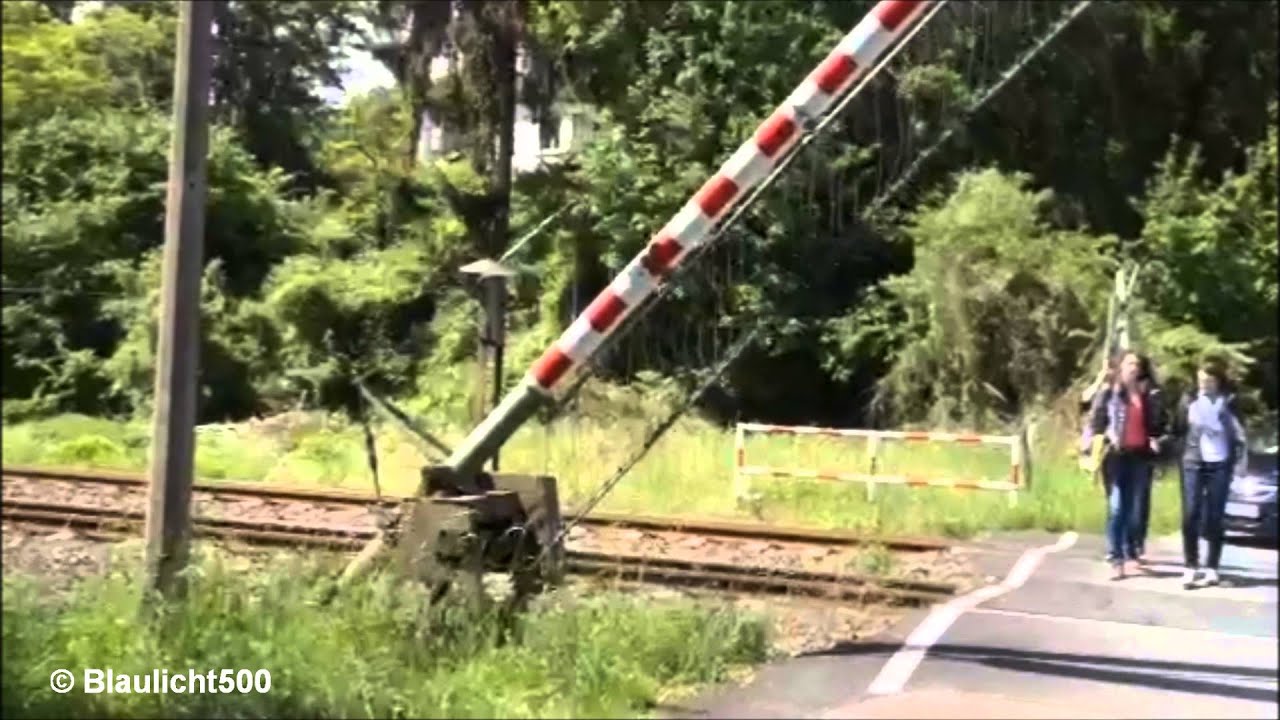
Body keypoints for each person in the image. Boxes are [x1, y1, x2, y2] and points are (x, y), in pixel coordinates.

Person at [1088, 350, 1169, 579]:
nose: (1133, 368)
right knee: (1116, 507)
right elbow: (1097, 421)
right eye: (1129, 364)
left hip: (1139, 456)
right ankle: (1116, 558)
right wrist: (1103, 439)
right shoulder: (1110, 392)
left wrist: (1154, 439)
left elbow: (1156, 423)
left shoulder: (1147, 393)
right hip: (1115, 455)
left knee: (1133, 509)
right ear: (1121, 367)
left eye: (1136, 364)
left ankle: (1130, 550)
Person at [1174, 359, 1247, 589]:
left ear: (1218, 381)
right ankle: (1190, 565)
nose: (1204, 385)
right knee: (1190, 514)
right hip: (1193, 461)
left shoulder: (1230, 402)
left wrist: (1240, 460)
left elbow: (1240, 434)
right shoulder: (1189, 401)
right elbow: (1177, 429)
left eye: (1209, 380)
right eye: (1201, 380)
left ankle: (1212, 567)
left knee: (1215, 517)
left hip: (1220, 463)